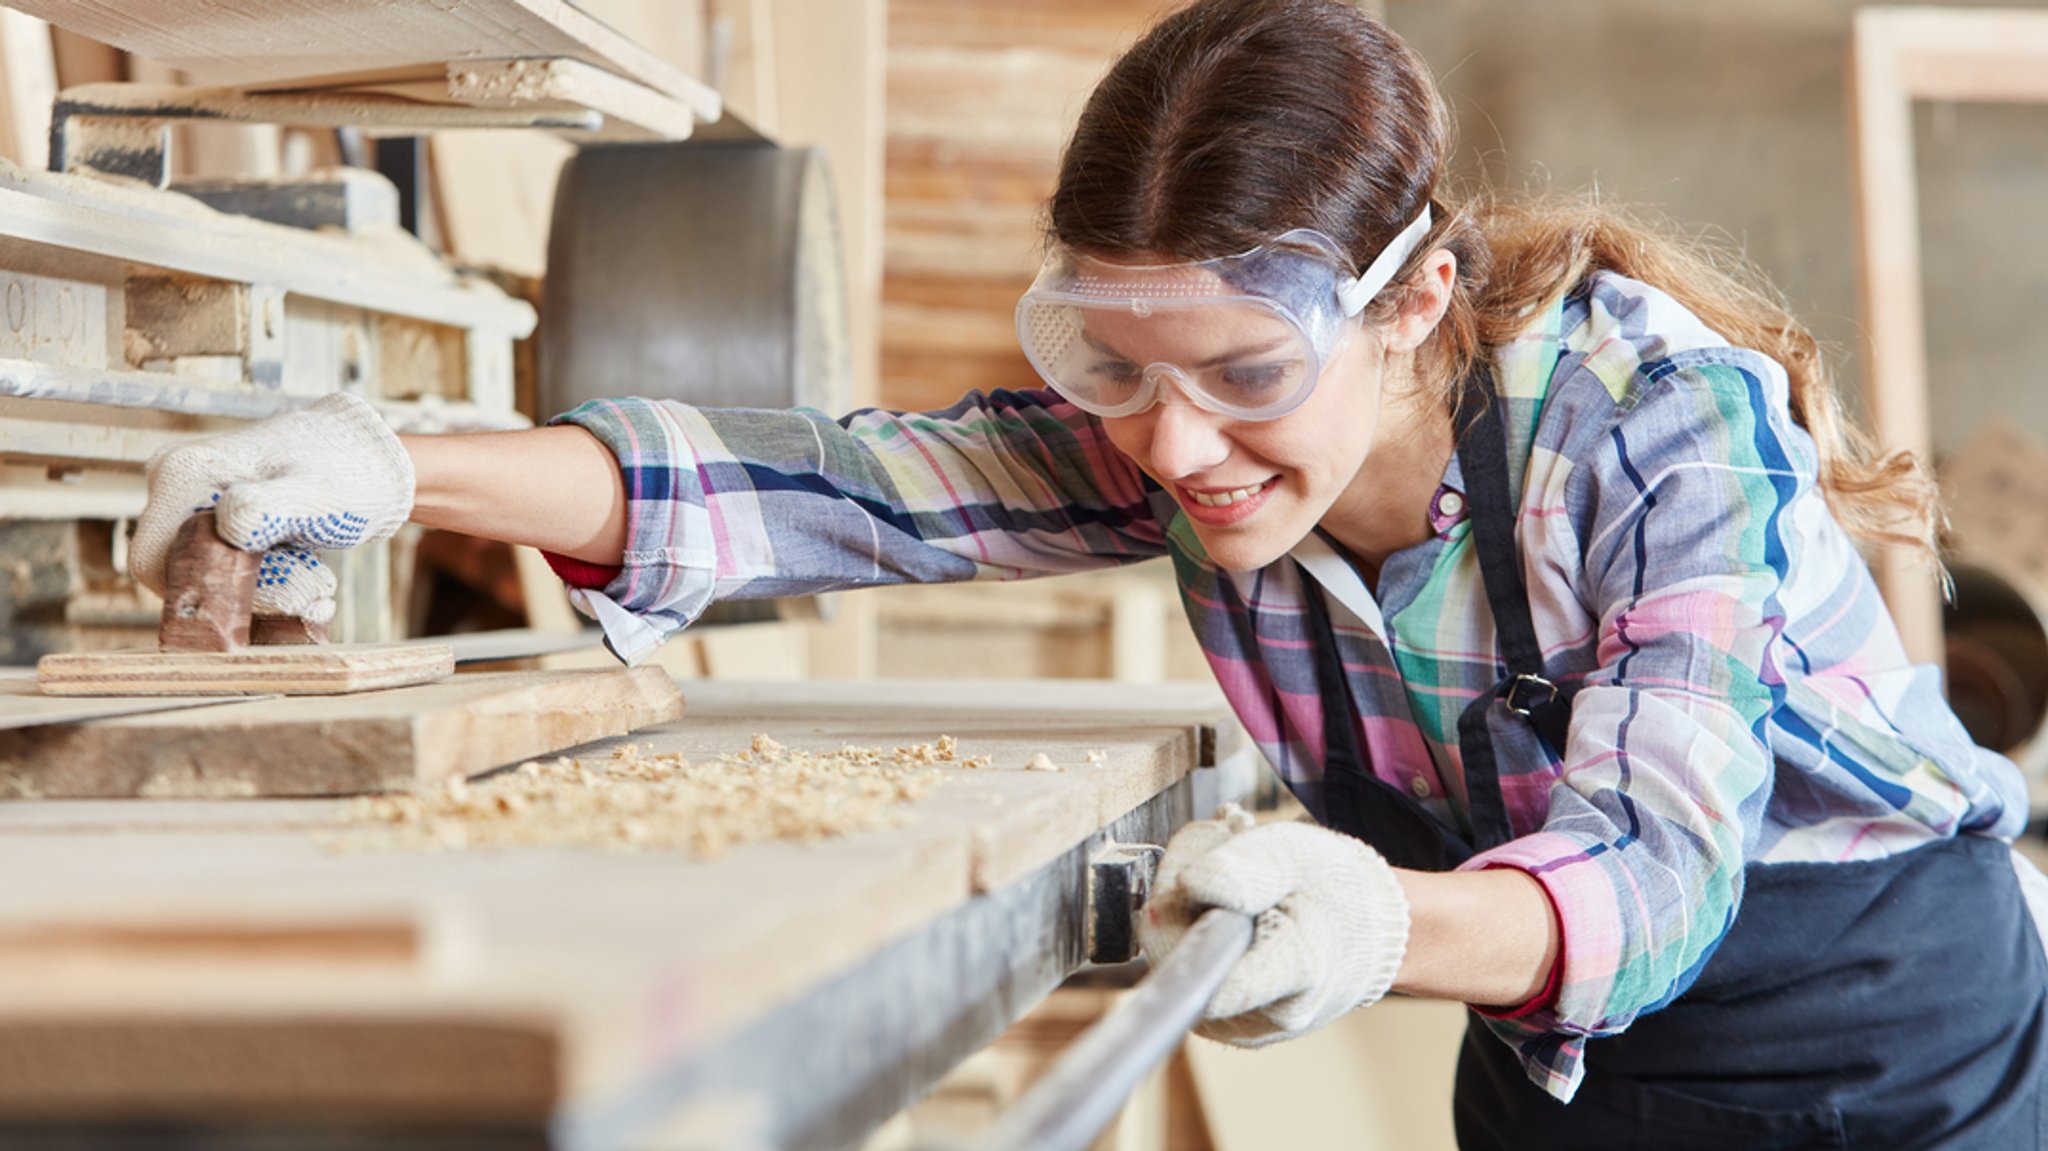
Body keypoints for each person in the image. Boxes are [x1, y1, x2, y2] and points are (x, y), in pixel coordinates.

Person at [131, 0, 2047, 1144]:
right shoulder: (1181, 432)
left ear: (1419, 303)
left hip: (1875, 1038)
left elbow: (1661, 870)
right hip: (1556, 1069)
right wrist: (394, 466)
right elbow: (838, 488)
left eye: (1243, 377)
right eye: (1113, 369)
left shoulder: (1653, 420)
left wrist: (1381, 925)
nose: (1172, 445)